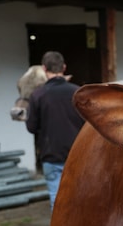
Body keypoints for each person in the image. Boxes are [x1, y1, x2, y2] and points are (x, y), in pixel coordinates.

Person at [26, 51, 84, 212]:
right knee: (80, 199)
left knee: (57, 202)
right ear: (64, 67)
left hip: (51, 156)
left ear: (44, 69)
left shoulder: (37, 95)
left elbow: (31, 127)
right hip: (78, 156)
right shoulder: (77, 92)